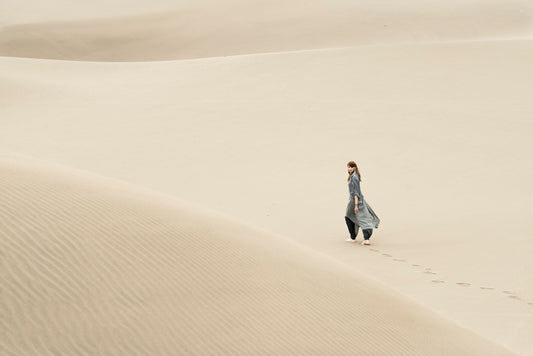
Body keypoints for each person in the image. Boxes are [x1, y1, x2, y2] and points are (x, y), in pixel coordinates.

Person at [345, 161, 380, 245]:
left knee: (350, 217)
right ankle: (363, 238)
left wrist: (356, 205)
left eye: (351, 167)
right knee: (362, 217)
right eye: (348, 167)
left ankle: (356, 238)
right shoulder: (354, 176)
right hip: (356, 200)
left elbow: (356, 193)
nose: (349, 168)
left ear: (354, 168)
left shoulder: (354, 177)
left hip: (355, 201)